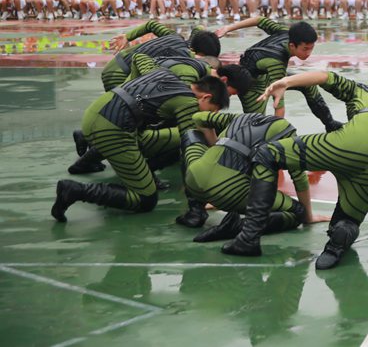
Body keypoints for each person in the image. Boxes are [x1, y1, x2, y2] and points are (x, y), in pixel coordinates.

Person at [221, 71, 368, 268]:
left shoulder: (364, 91)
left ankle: (248, 238)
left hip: (351, 143)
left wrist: (286, 82)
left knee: (266, 155)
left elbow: (325, 76)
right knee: (347, 222)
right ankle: (336, 244)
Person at [51, 61, 230, 222]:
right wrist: (196, 205)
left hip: (98, 111)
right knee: (145, 198)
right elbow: (189, 148)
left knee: (149, 142)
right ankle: (76, 191)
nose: (209, 116)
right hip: (112, 128)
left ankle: (87, 163)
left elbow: (139, 58)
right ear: (206, 97)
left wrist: (130, 92)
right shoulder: (188, 102)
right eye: (211, 111)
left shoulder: (165, 74)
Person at [183, 110, 329, 243]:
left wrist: (215, 143)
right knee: (298, 212)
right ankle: (237, 227)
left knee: (191, 134)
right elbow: (299, 178)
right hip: (228, 191)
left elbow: (198, 117)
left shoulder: (239, 118)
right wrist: (308, 217)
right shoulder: (288, 131)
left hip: (192, 180)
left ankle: (196, 211)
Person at [216, 17, 342, 129]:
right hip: (251, 84)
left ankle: (330, 123)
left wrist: (228, 28)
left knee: (307, 84)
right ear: (292, 46)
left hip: (263, 72)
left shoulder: (285, 32)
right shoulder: (277, 62)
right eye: (305, 49)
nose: (308, 53)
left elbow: (259, 20)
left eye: (311, 48)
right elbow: (279, 105)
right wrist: (279, 133)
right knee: (255, 125)